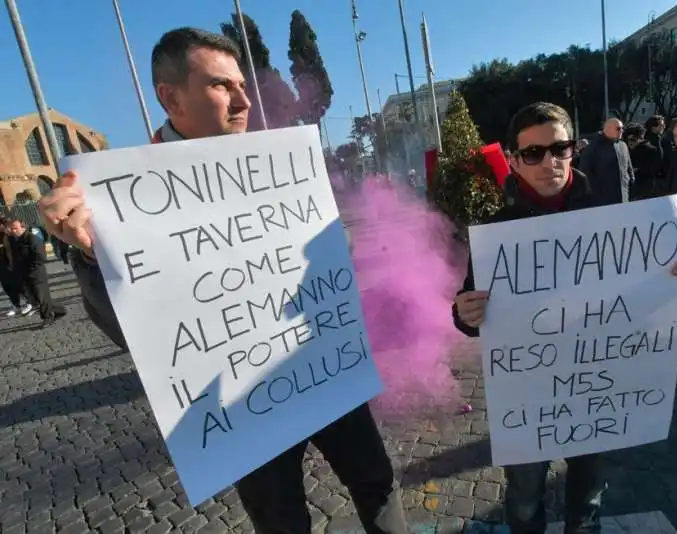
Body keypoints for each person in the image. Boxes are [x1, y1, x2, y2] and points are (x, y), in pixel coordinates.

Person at [38, 27, 408, 534]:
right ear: (170, 97)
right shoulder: (118, 204)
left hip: (321, 368)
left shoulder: (276, 166)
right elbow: (133, 335)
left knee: (378, 483)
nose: (242, 101)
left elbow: (324, 268)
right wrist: (89, 252)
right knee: (282, 522)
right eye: (221, 86)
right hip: (242, 404)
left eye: (242, 85)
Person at [452, 102, 677, 534]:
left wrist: (671, 275)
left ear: (574, 150)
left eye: (559, 148)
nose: (549, 162)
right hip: (529, 398)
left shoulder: (614, 218)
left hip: (596, 390)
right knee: (525, 504)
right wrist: (463, 311)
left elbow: (637, 294)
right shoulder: (496, 234)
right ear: (513, 159)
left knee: (587, 502)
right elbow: (474, 312)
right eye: (533, 154)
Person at [4, 217, 66, 326]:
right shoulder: (15, 240)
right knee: (37, 298)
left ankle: (47, 318)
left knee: (41, 296)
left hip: (36, 273)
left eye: (15, 228)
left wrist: (32, 267)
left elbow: (41, 256)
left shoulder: (32, 238)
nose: (13, 231)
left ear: (23, 227)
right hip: (24, 274)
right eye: (12, 229)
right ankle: (60, 310)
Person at [578, 118, 636, 206]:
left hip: (624, 198)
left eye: (622, 128)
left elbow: (629, 168)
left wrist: (631, 184)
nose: (621, 131)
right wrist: (595, 194)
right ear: (608, 128)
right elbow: (585, 173)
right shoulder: (593, 147)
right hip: (603, 201)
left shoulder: (623, 145)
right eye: (618, 128)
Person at [0, 216, 32, 317]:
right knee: (7, 286)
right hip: (3, 265)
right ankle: (15, 305)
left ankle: (30, 303)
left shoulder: (11, 234)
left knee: (20, 285)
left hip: (14, 263)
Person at [623, 122, 662, 199]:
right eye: (627, 140)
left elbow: (654, 169)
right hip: (630, 189)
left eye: (633, 139)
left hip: (645, 189)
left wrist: (637, 169)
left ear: (641, 138)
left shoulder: (651, 151)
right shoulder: (626, 150)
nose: (630, 142)